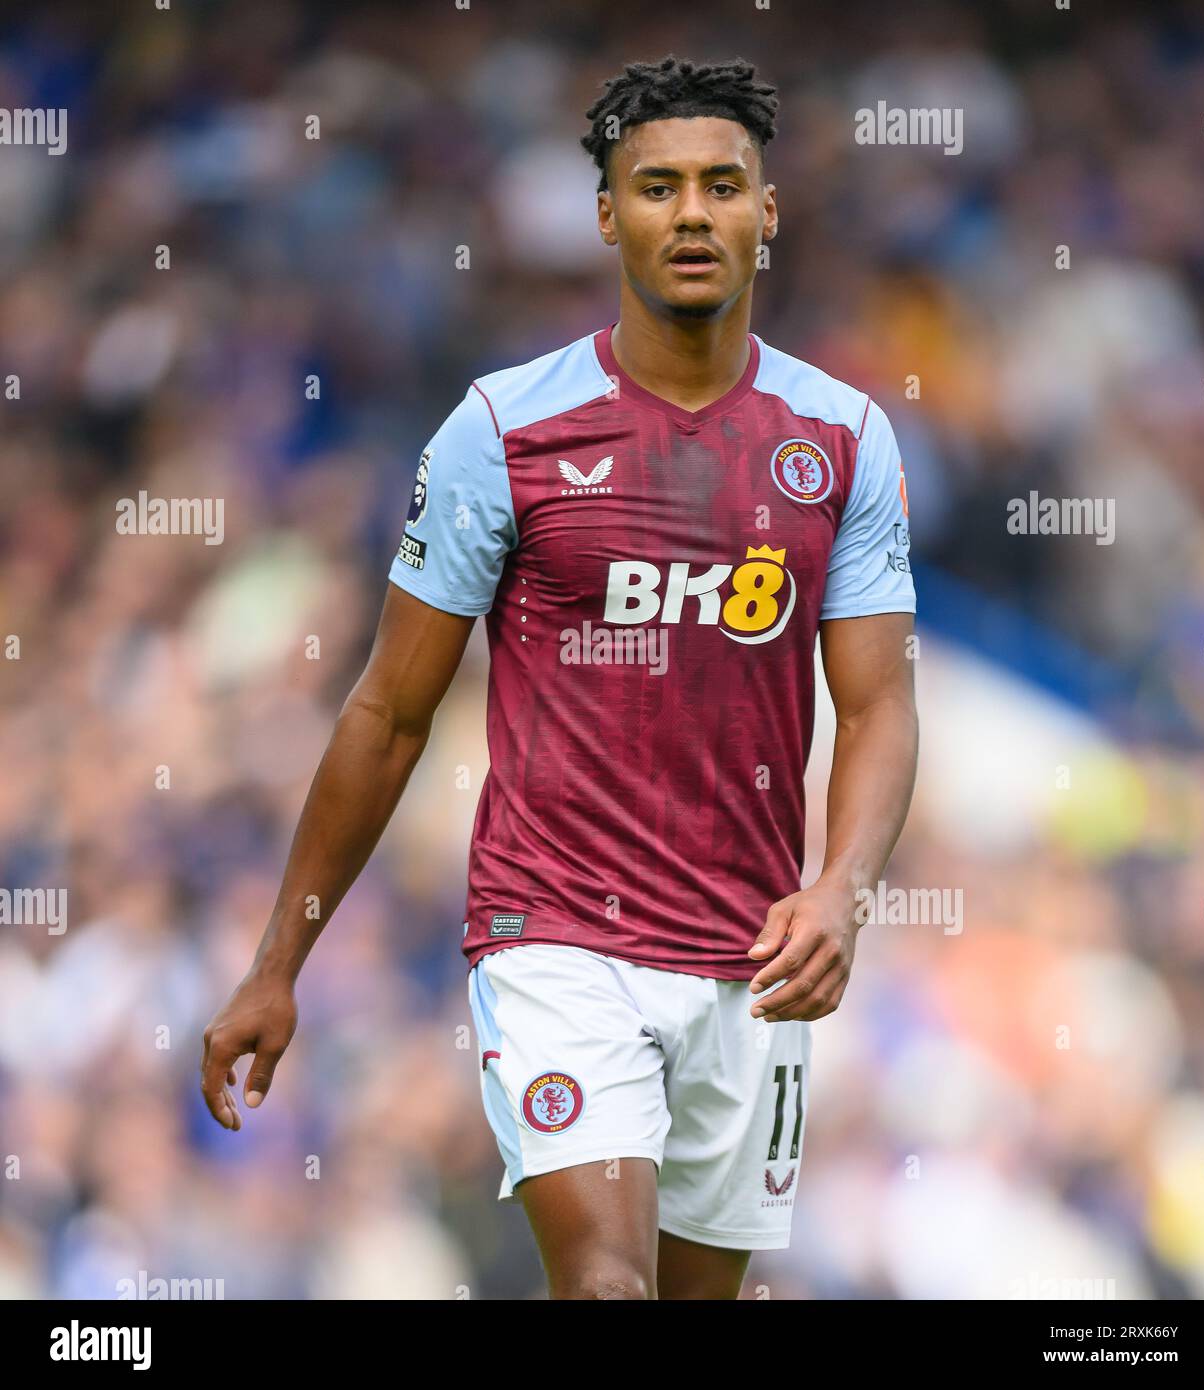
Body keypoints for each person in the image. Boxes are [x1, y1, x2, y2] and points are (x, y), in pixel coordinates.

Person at [201, 54, 919, 1300]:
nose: (690, 214)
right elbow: (386, 712)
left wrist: (842, 888)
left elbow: (877, 705)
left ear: (768, 211)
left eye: (720, 185)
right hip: (555, 937)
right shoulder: (502, 432)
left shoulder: (843, 440)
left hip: (750, 964)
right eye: (655, 187)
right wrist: (278, 963)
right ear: (606, 214)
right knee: (602, 1285)